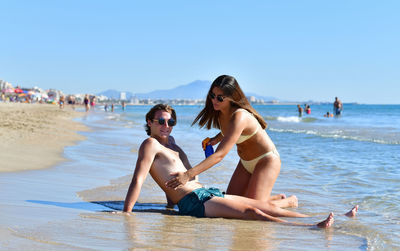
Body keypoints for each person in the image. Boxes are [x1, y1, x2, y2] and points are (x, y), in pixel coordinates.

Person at [123, 104, 346, 228]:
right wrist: (127, 213)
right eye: (160, 121)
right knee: (252, 211)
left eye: (170, 122)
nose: (166, 126)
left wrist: (169, 206)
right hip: (194, 203)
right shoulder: (150, 144)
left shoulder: (173, 145)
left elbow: (173, 181)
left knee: (260, 205)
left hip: (205, 192)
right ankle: (309, 229)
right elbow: (139, 179)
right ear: (149, 122)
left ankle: (325, 218)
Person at [166, 75, 290, 206]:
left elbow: (219, 155)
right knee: (230, 204)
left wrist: (187, 175)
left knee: (253, 208)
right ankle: (274, 199)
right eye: (212, 95)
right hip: (245, 163)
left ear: (232, 98)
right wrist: (216, 139)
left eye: (220, 98)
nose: (215, 100)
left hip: (266, 161)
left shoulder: (240, 116)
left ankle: (289, 202)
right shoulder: (220, 112)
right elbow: (230, 131)